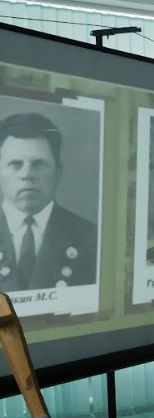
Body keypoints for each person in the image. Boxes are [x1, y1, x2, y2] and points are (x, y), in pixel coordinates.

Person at [0, 112, 97, 291]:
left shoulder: (90, 238)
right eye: (15, 164)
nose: (27, 174)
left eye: (38, 164)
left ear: (58, 173)